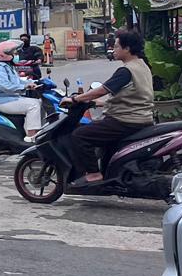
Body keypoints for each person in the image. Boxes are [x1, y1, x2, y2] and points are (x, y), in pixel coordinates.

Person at [63, 30, 155, 187]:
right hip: (141, 118)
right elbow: (132, 95)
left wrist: (75, 98)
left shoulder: (126, 70)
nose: (114, 49)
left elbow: (102, 89)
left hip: (125, 120)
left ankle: (93, 174)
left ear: (127, 49)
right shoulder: (142, 66)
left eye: (117, 46)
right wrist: (101, 103)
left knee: (79, 136)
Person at [0, 40, 43, 141]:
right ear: (5, 55)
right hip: (2, 101)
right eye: (14, 53)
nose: (16, 55)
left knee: (38, 102)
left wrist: (34, 82)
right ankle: (31, 136)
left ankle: (37, 133)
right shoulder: (0, 69)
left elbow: (19, 82)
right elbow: (5, 86)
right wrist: (24, 87)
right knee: (33, 105)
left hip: (11, 98)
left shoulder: (9, 68)